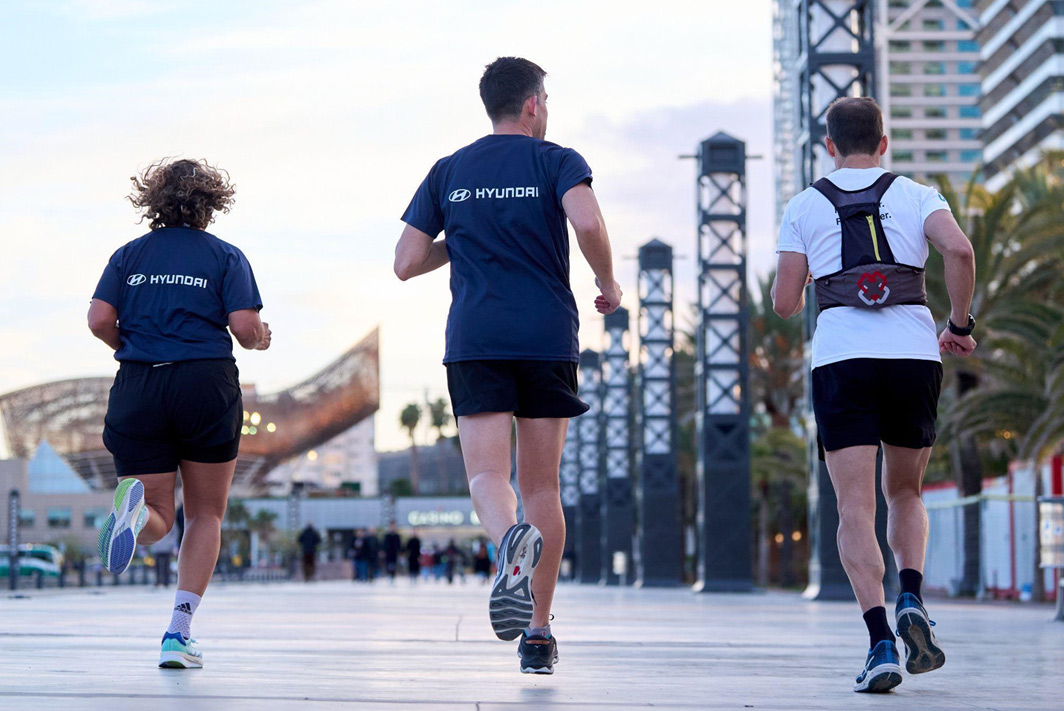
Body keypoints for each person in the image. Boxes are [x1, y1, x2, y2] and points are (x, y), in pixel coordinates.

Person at [394, 56, 621, 675]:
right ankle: (540, 634)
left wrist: (464, 239)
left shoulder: (450, 171)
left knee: (486, 476)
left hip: (477, 337)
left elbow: (406, 261)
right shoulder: (556, 161)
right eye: (545, 99)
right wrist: (608, 281)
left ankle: (507, 544)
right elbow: (587, 220)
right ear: (532, 104)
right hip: (546, 335)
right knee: (542, 485)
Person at [772, 97, 976, 693]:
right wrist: (958, 325)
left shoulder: (805, 205)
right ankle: (911, 594)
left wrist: (812, 271)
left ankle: (880, 642)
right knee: (905, 490)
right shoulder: (916, 194)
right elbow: (959, 250)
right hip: (913, 356)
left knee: (855, 507)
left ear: (829, 146)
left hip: (843, 361)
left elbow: (785, 304)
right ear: (883, 143)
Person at [90, 158, 270, 670]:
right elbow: (243, 325)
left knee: (161, 517)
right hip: (203, 382)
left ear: (153, 200)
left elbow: (98, 318)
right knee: (206, 514)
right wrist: (260, 339)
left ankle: (134, 512)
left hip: (139, 382)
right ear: (211, 203)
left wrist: (128, 343)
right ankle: (178, 633)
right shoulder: (225, 256)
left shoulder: (128, 255)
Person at [150, 522, 180, 588]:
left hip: (167, 547)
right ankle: (158, 581)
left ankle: (166, 582)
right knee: (157, 566)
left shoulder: (172, 522)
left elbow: (175, 533)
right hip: (157, 547)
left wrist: (171, 543)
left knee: (166, 565)